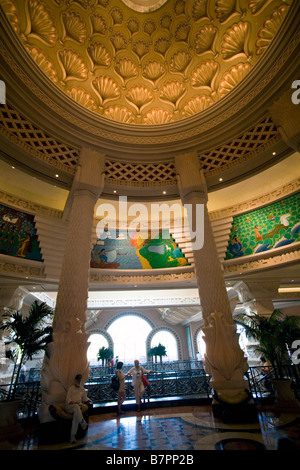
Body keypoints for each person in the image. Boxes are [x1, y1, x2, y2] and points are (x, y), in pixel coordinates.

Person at [65, 374, 91, 444]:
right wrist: (74, 402)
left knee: (76, 416)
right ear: (75, 380)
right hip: (69, 407)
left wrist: (89, 400)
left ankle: (72, 436)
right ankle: (83, 422)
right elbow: (68, 400)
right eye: (77, 380)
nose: (79, 382)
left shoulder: (82, 389)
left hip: (77, 408)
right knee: (76, 407)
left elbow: (85, 398)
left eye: (80, 380)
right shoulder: (71, 388)